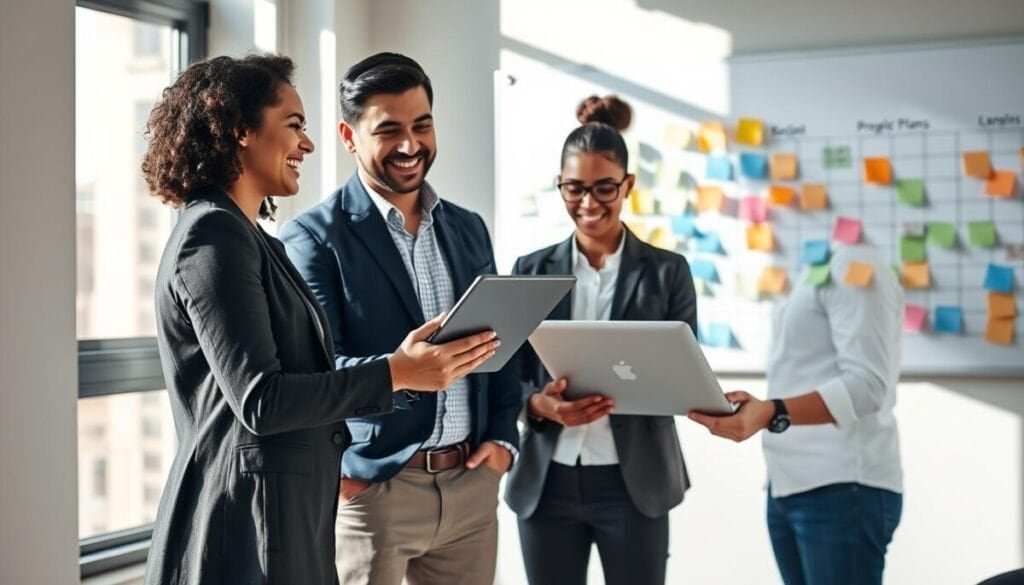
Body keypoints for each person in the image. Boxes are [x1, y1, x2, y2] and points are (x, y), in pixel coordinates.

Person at [141, 54, 498, 585]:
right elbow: (262, 399)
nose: (306, 145)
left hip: (285, 515)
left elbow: (306, 374)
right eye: (294, 126)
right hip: (245, 526)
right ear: (240, 131)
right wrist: (397, 373)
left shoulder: (250, 238)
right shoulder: (211, 237)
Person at [281, 52, 521, 585]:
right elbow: (315, 372)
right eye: (388, 130)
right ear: (349, 136)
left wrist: (504, 438)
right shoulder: (313, 239)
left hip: (471, 488)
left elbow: (501, 344)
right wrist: (349, 477)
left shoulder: (469, 228)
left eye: (422, 125)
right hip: (376, 491)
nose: (411, 145)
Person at [504, 95, 696, 585]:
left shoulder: (668, 272)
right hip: (547, 482)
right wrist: (539, 406)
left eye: (604, 188)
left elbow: (686, 376)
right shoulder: (531, 269)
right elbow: (512, 375)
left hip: (634, 484)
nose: (588, 204)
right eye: (574, 189)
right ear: (560, 186)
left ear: (628, 185)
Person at [689, 243, 904, 585]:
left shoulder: (856, 264)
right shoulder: (811, 265)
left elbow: (868, 386)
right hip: (789, 484)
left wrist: (772, 412)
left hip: (843, 487)